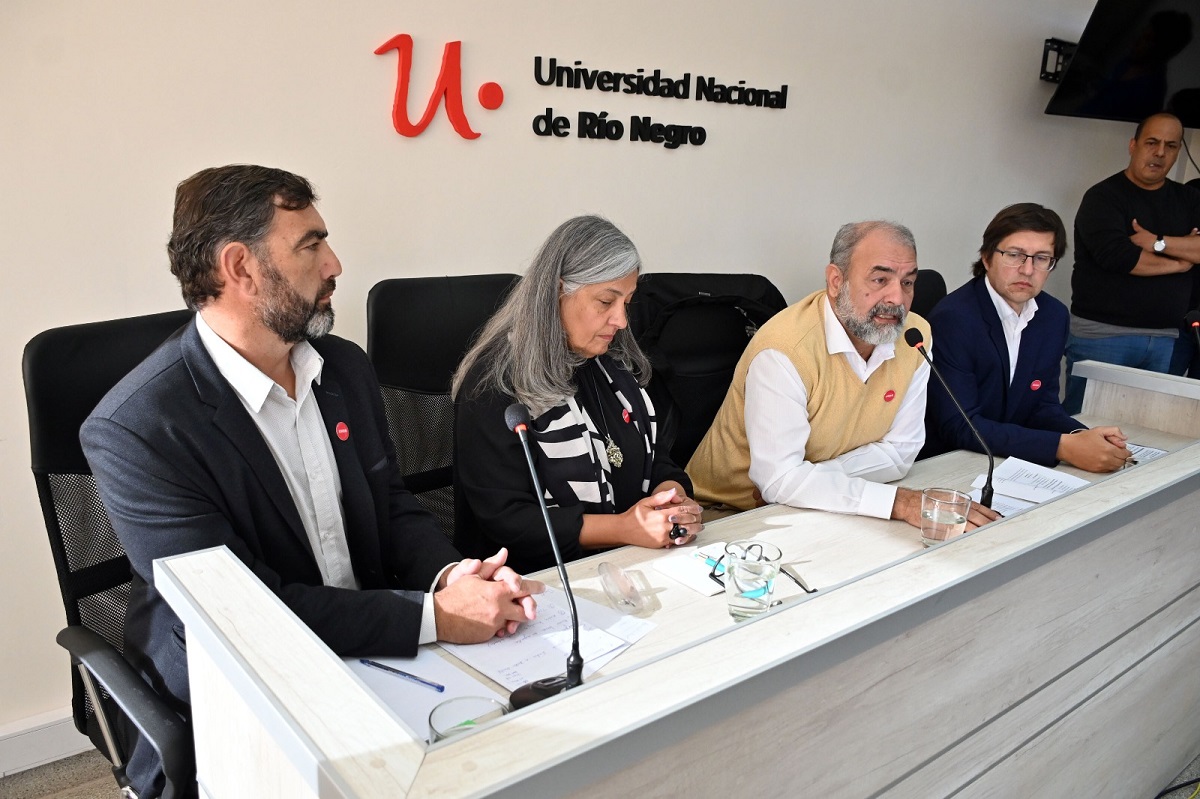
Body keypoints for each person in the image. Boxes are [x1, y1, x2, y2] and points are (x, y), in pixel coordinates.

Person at [81, 165, 542, 797]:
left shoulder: (343, 367)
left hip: (377, 655)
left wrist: (448, 577)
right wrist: (432, 618)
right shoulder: (138, 427)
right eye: (310, 244)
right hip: (243, 690)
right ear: (240, 267)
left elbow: (392, 505)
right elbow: (243, 619)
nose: (335, 264)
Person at [688, 221, 999, 531]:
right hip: (730, 515)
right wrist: (898, 503)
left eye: (908, 282)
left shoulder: (914, 336)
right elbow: (780, 480)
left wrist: (813, 481)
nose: (897, 299)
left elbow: (902, 452)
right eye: (880, 279)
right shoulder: (784, 350)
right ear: (836, 281)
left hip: (820, 506)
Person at [452, 215, 702, 575]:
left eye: (627, 303)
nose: (621, 321)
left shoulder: (608, 364)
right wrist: (624, 527)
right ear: (557, 291)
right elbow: (508, 519)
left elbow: (653, 456)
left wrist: (670, 499)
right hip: (536, 581)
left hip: (631, 564)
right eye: (605, 301)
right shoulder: (494, 383)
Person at [921, 203, 1132, 472]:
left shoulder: (1053, 316)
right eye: (1015, 255)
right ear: (987, 258)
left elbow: (1042, 405)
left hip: (1009, 459)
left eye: (1042, 258)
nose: (1027, 269)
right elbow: (961, 424)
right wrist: (1061, 446)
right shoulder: (953, 318)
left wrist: (1081, 437)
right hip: (950, 462)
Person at [1065, 112, 1200, 413]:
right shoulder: (1103, 197)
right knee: (1083, 426)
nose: (1160, 153)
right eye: (1152, 142)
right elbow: (1122, 258)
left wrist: (1157, 242)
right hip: (1103, 335)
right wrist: (1181, 261)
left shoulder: (1190, 199)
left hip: (1166, 339)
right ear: (1133, 145)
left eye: (1171, 145)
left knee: (1145, 430)